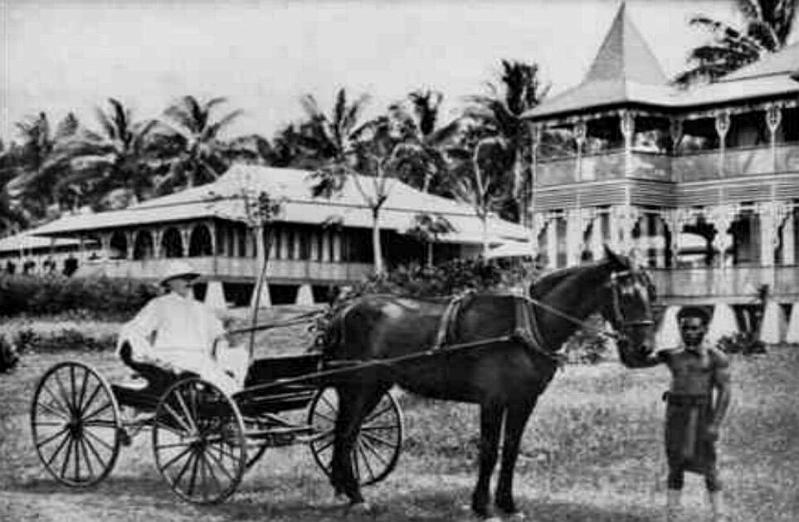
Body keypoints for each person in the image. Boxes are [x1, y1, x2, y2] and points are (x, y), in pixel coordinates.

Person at [621, 306, 732, 522]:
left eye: (694, 328)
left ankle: (719, 515)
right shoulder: (672, 355)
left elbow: (725, 392)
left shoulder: (715, 357)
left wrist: (715, 425)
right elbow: (634, 362)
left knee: (709, 466)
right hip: (675, 414)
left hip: (701, 413)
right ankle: (673, 514)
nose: (689, 333)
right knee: (675, 465)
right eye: (684, 328)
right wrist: (624, 341)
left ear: (705, 329)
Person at [117, 260, 249, 396]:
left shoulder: (201, 308)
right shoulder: (159, 305)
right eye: (182, 278)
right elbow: (134, 330)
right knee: (205, 375)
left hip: (201, 359)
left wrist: (229, 338)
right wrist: (150, 356)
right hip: (172, 358)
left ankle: (235, 401)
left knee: (226, 377)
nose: (188, 282)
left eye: (190, 278)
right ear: (170, 283)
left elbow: (218, 334)